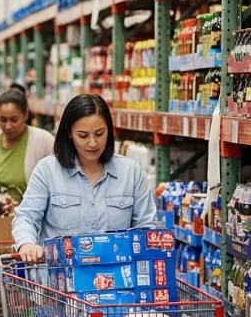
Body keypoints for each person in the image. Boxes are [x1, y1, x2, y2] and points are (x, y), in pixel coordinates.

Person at [12, 94, 158, 264]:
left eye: (99, 134)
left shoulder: (130, 171)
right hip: (61, 276)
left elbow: (147, 227)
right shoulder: (47, 170)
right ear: (69, 133)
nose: (93, 143)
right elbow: (26, 216)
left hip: (117, 275)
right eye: (83, 135)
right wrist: (27, 244)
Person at [0, 89, 54, 202]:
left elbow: (52, 186)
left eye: (14, 120)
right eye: (3, 120)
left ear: (26, 115)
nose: (8, 126)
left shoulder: (44, 141)